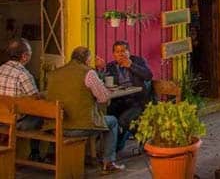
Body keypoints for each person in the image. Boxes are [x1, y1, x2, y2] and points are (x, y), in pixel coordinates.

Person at [48, 46, 124, 174]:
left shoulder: (56, 73)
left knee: (100, 119)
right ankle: (108, 162)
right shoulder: (88, 73)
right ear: (87, 60)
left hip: (55, 126)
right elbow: (103, 98)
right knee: (113, 121)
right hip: (79, 127)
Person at [98, 40, 152, 151]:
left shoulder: (138, 61)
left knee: (124, 120)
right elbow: (102, 81)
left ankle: (145, 139)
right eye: (117, 52)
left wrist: (131, 65)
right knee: (106, 113)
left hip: (138, 101)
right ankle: (113, 145)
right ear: (114, 54)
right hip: (120, 101)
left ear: (129, 52)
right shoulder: (111, 66)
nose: (121, 54)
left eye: (123, 51)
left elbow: (148, 75)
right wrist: (100, 69)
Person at [0, 39, 43, 160]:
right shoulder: (23, 75)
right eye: (30, 53)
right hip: (16, 122)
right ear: (24, 56)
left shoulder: (1, 69)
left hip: (1, 118)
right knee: (42, 116)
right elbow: (36, 102)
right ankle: (35, 153)